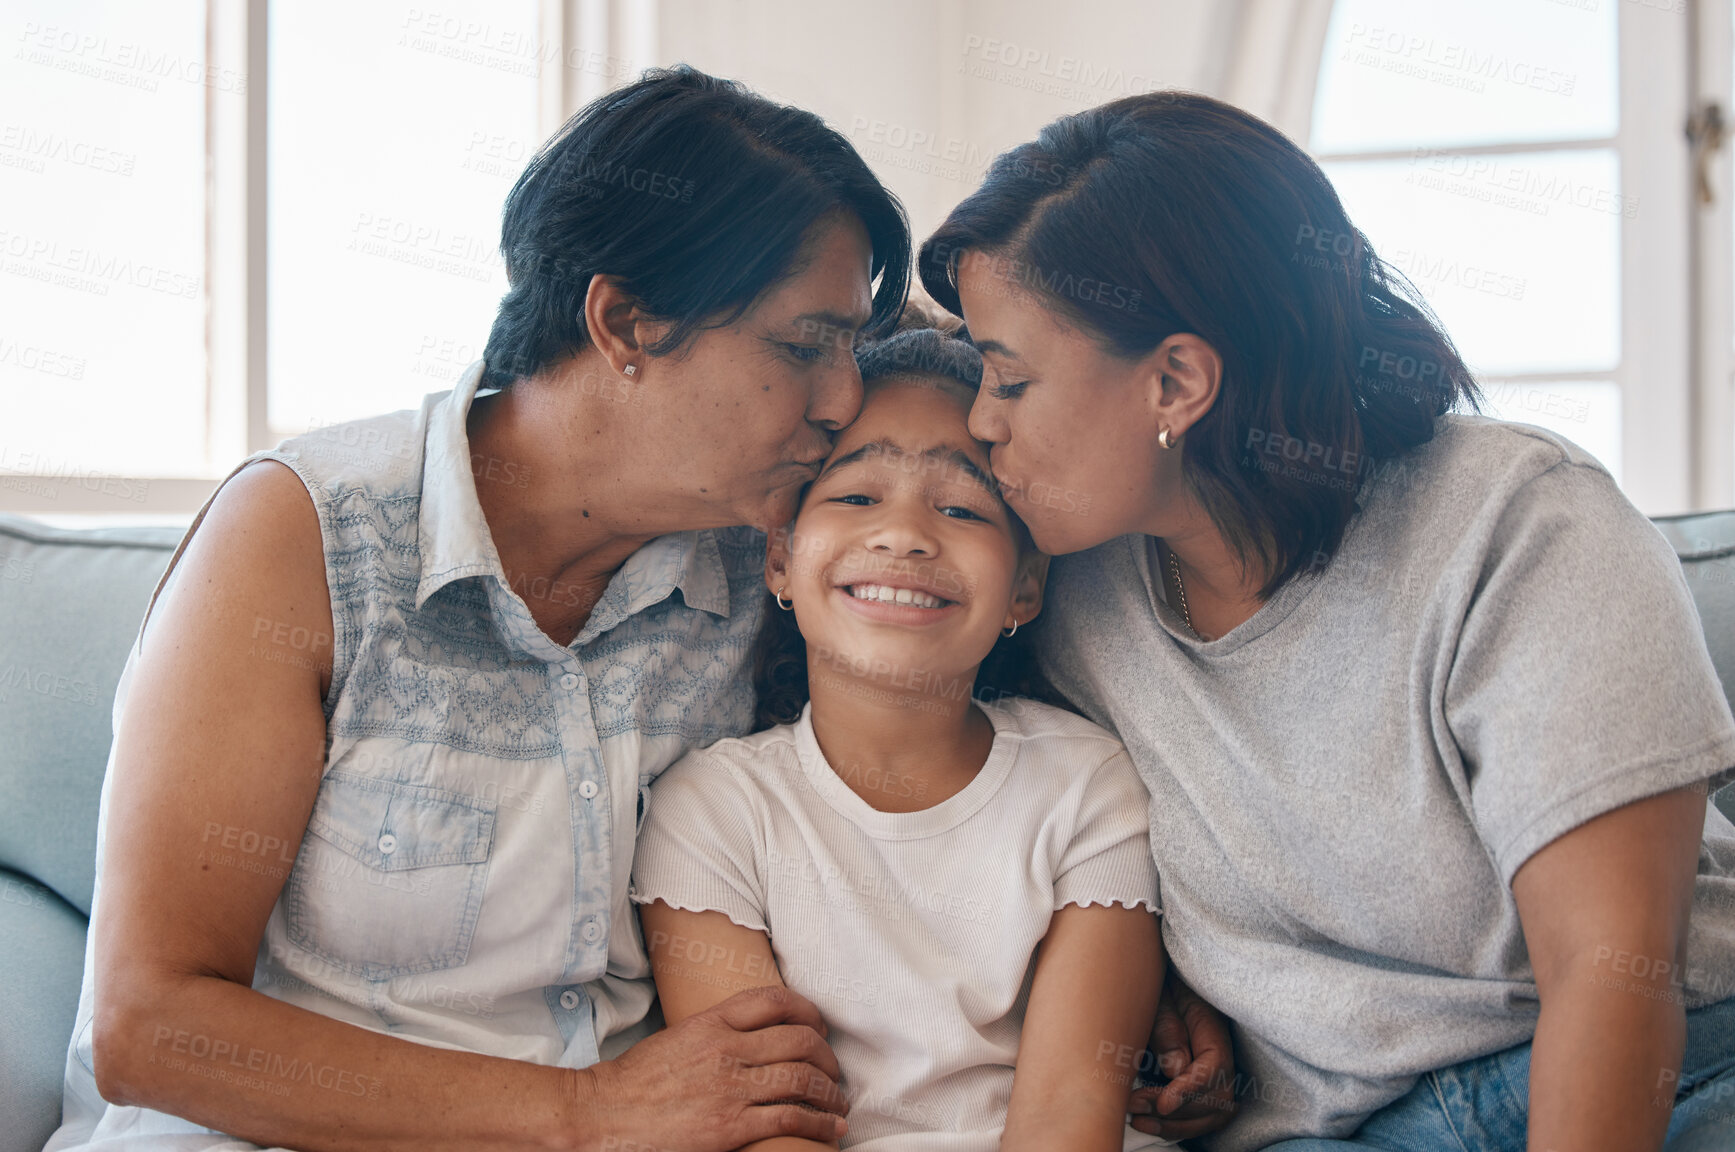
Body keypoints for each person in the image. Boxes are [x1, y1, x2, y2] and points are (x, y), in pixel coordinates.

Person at [46, 65, 913, 1152]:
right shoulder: (307, 533)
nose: (840, 402)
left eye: (852, 348)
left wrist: (1119, 969)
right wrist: (585, 1113)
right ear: (625, 322)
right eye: (802, 347)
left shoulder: (775, 562)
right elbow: (150, 1024)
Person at [917, 91, 1735, 1152]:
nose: (982, 420)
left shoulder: (1518, 522)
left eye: (1010, 378)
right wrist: (1166, 983)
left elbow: (1614, 975)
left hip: (1656, 1077)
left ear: (1176, 381)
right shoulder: (1067, 591)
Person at [631, 320, 1172, 1151]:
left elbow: (1070, 1111)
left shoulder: (1084, 780)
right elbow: (757, 1121)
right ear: (779, 557)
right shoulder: (712, 808)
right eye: (855, 497)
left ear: (1025, 586)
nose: (905, 535)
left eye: (960, 508)